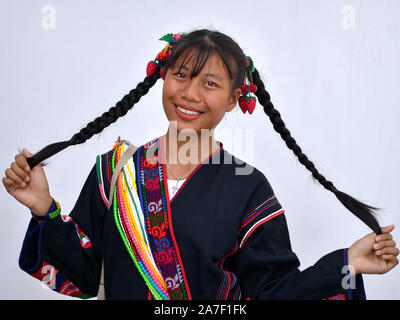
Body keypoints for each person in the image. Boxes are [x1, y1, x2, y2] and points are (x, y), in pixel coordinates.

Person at [3, 29, 399, 300]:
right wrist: (43, 208)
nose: (189, 94)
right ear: (162, 78)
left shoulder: (249, 188)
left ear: (233, 99)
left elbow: (271, 292)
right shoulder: (114, 171)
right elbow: (87, 275)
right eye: (181, 75)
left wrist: (347, 265)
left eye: (210, 83)